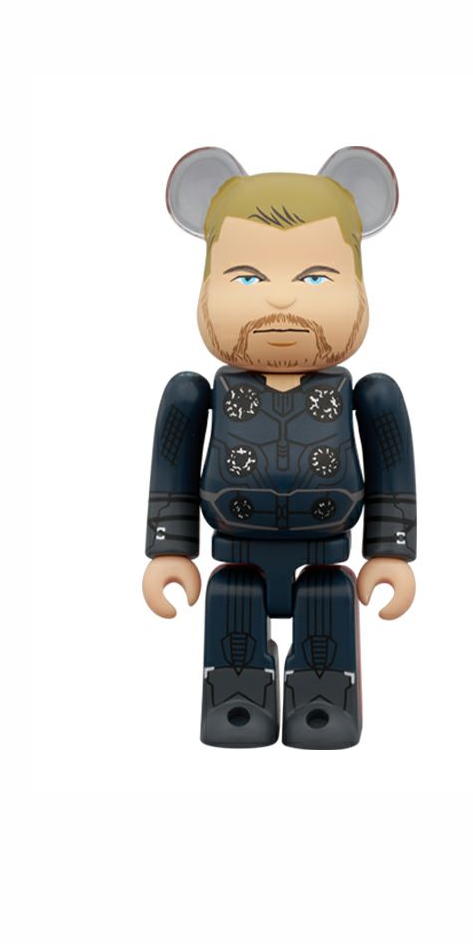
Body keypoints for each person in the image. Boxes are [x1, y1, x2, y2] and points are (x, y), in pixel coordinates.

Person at [142, 147, 416, 749]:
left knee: (328, 614)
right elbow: (173, 466)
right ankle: (236, 698)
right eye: (248, 278)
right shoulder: (194, 393)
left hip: (326, 548)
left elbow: (391, 466)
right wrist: (170, 548)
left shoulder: (368, 394)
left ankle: (325, 699)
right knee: (231, 610)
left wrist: (390, 551)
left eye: (315, 278)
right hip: (236, 546)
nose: (282, 299)